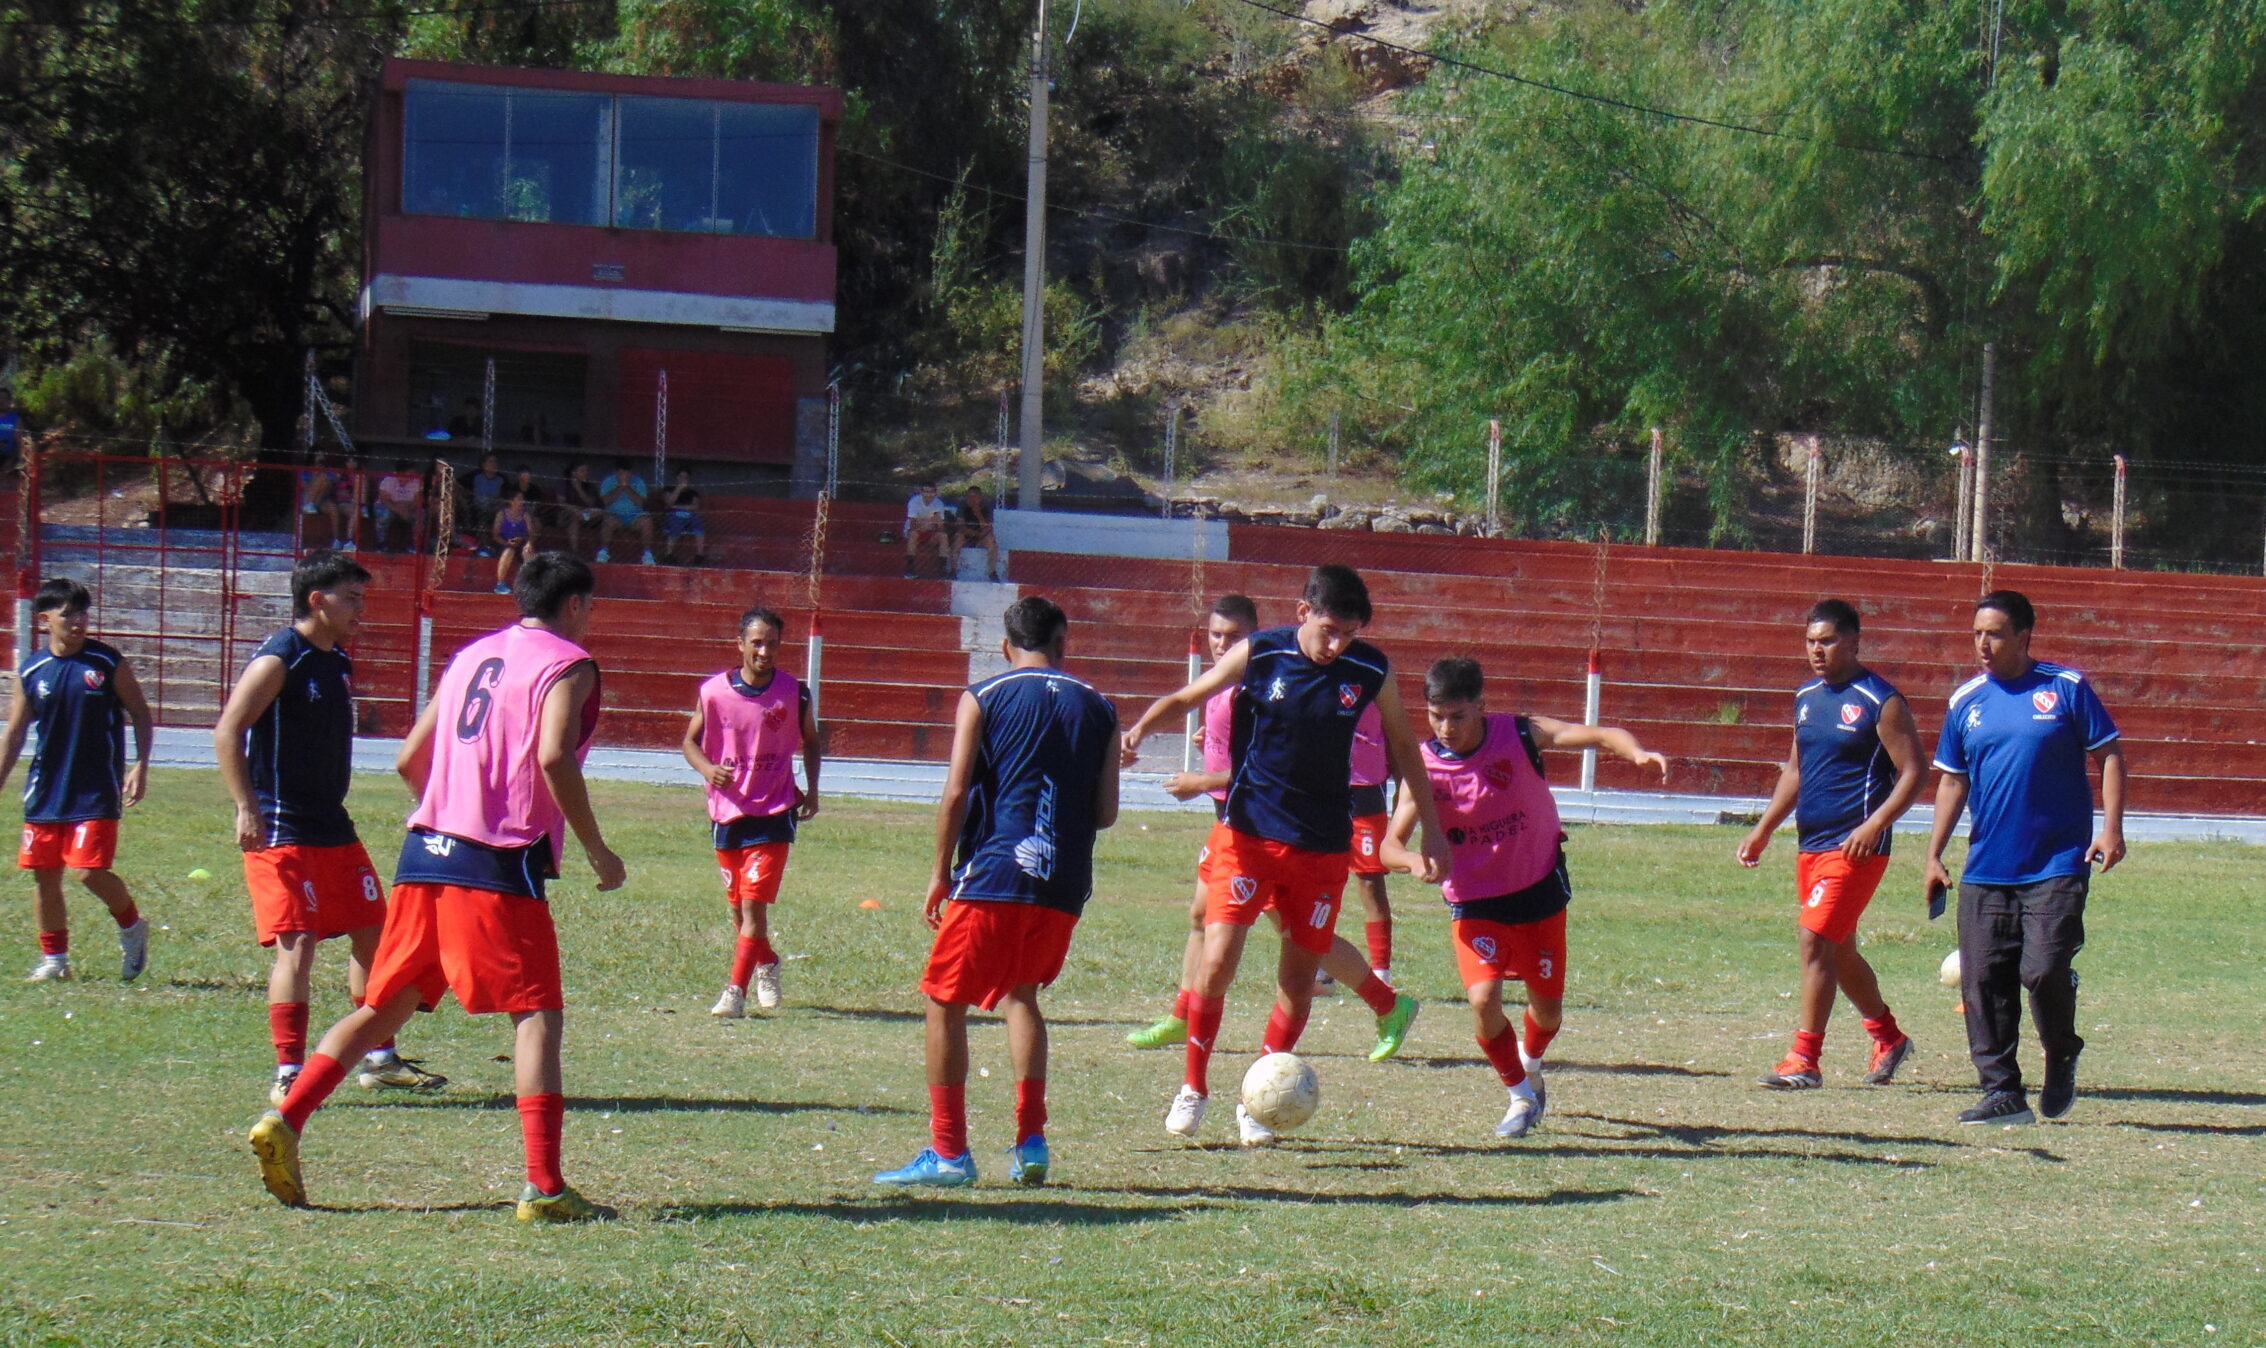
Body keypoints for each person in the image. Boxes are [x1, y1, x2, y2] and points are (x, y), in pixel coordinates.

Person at [248, 553, 628, 1222]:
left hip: (425, 854)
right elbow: (551, 754)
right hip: (496, 862)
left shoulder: (471, 657)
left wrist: (451, 809)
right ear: (574, 606)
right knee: (536, 1014)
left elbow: (407, 759)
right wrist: (598, 852)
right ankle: (544, 1188)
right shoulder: (568, 664)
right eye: (589, 607)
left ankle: (287, 1117)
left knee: (383, 1009)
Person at [1122, 564, 1451, 1147]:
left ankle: (1257, 1098)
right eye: (1329, 629)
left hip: (1323, 848)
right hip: (1247, 835)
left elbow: (1405, 746)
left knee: (1297, 982)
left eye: (1348, 633)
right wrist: (1140, 730)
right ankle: (1194, 1087)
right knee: (1217, 960)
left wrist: (1433, 829)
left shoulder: (1370, 669)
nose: (1337, 644)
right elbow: (1190, 695)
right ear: (1303, 612)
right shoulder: (1262, 652)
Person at [873, 596, 1119, 1187]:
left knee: (942, 1000)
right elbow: (1107, 812)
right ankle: (1031, 1141)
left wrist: (938, 871)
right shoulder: (1102, 708)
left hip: (995, 873)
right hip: (1064, 882)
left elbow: (957, 791)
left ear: (1007, 648)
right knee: (1022, 995)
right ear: (1063, 643)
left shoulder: (984, 695)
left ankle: (949, 1151)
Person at [1379, 658, 1668, 1137]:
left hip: (1537, 888)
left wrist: (1635, 753)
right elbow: (1389, 845)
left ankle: (1530, 1064)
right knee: (1483, 998)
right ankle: (1519, 1094)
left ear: (1481, 707)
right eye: (1435, 716)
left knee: (1548, 1009)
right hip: (1475, 900)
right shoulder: (1423, 767)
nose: (1446, 728)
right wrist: (1412, 861)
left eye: (1458, 716)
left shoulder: (1519, 734)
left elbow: (1598, 733)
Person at [214, 551, 446, 1106]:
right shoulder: (280, 658)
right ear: (317, 601)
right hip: (282, 829)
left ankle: (380, 1059)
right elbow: (228, 731)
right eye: (352, 598)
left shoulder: (337, 661)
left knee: (376, 937)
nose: (361, 609)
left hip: (332, 826)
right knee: (297, 946)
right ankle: (289, 1068)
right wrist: (246, 807)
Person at [1924, 590, 2125, 1127]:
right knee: (1983, 980)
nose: (1983, 645)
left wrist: (2110, 829)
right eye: (1975, 635)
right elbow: (1953, 780)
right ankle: (2002, 1093)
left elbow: (2108, 754)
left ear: (2023, 636)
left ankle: (2061, 1050)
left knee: (2041, 970)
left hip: (2058, 861)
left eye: (1994, 634)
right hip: (1987, 865)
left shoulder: (2065, 688)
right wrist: (1934, 852)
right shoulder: (1965, 701)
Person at [1735, 599, 1926, 1090]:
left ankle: (1805, 1059)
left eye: (1828, 640)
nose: (1817, 650)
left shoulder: (1880, 701)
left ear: (1855, 641)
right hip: (1810, 846)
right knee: (1836, 950)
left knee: (1813, 939)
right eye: (1811, 641)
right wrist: (1763, 830)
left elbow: (1914, 772)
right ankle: (1888, 1036)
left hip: (1855, 849)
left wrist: (1874, 824)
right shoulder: (1806, 697)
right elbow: (1796, 771)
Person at [0, 579, 153, 983]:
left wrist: (140, 765)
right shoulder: (32, 670)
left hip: (96, 788)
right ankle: (55, 960)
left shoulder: (105, 663)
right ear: (46, 618)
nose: (79, 622)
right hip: (46, 790)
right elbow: (15, 731)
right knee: (44, 874)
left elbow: (139, 712)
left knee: (88, 871)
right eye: (69, 614)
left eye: (84, 613)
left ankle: (133, 926)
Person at [682, 607, 821, 1017]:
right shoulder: (713, 693)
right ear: (740, 644)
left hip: (775, 811)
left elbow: (812, 741)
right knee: (737, 911)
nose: (765, 651)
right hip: (728, 812)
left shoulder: (794, 693)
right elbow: (689, 742)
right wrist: (709, 768)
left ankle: (734, 993)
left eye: (772, 643)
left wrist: (812, 789)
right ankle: (768, 962)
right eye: (757, 642)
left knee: (753, 907)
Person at [597, 457, 655, 565]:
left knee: (647, 520)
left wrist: (627, 487)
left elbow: (641, 503)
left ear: (630, 472)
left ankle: (647, 554)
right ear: (616, 472)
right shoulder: (608, 481)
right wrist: (619, 487)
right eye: (620, 473)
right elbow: (606, 502)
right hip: (615, 516)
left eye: (626, 472)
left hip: (634, 517)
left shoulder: (638, 481)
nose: (623, 475)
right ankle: (603, 552)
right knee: (608, 519)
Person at [298, 457, 352, 553]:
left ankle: (337, 539)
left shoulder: (327, 473)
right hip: (307, 498)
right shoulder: (305, 472)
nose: (318, 466)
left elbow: (332, 483)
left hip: (322, 501)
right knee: (323, 478)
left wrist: (326, 479)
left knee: (333, 507)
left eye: (321, 464)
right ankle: (310, 504)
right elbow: (304, 487)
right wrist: (316, 480)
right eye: (317, 464)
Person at [374, 460, 425, 553]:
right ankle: (381, 544)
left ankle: (415, 546)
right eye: (410, 473)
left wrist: (408, 509)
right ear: (401, 472)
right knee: (382, 515)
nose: (413, 475)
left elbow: (418, 500)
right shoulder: (388, 480)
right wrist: (396, 509)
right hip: (390, 506)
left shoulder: (417, 481)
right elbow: (384, 500)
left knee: (420, 515)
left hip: (408, 507)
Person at [491, 491, 537, 594]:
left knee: (528, 553)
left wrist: (529, 543)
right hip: (504, 544)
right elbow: (495, 535)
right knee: (509, 552)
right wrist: (507, 543)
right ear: (511, 501)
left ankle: (532, 584)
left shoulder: (525, 515)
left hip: (521, 543)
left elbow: (531, 533)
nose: (522, 501)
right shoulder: (501, 514)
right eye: (519, 498)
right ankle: (500, 584)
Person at [903, 482, 951, 578]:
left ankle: (942, 569)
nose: (929, 494)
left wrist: (930, 524)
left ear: (935, 492)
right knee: (913, 534)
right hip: (916, 530)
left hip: (931, 531)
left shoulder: (938, 503)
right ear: (921, 492)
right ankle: (910, 568)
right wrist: (929, 521)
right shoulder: (914, 502)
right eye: (926, 491)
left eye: (931, 492)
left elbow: (940, 525)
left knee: (944, 536)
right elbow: (913, 524)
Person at [659, 468, 706, 566]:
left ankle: (699, 555)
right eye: (681, 477)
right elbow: (669, 502)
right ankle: (668, 554)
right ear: (677, 478)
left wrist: (677, 506)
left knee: (698, 521)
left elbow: (695, 506)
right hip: (673, 515)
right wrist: (678, 489)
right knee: (676, 522)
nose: (683, 479)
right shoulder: (669, 489)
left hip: (689, 516)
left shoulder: (692, 493)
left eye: (686, 477)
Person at [955, 486, 1001, 582]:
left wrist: (978, 514)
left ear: (980, 497)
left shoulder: (987, 506)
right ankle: (952, 571)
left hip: (981, 537)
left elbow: (988, 528)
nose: (971, 499)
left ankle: (992, 572)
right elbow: (960, 527)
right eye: (969, 496)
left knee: (991, 542)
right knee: (958, 538)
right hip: (966, 536)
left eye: (974, 496)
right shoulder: (962, 505)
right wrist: (975, 534)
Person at [561, 461, 606, 556]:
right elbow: (561, 503)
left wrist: (579, 488)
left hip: (587, 514)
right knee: (574, 519)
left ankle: (602, 552)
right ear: (573, 473)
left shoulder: (589, 486)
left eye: (586, 470)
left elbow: (591, 503)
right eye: (582, 470)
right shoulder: (564, 484)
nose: (586, 473)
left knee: (601, 512)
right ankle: (575, 552)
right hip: (567, 514)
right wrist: (575, 510)